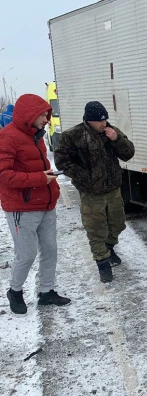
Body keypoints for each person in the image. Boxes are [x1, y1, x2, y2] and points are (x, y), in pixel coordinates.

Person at [0, 94, 71, 314]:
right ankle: (15, 291)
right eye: (42, 115)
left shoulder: (37, 136)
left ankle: (46, 292)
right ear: (28, 115)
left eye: (47, 115)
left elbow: (37, 166)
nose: (46, 119)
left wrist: (49, 180)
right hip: (22, 208)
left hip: (45, 204)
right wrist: (41, 178)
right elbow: (4, 176)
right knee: (27, 254)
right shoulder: (7, 137)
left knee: (50, 250)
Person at [54, 101, 135, 283]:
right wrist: (85, 177)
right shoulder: (73, 135)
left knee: (117, 224)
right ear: (89, 120)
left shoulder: (111, 132)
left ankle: (110, 247)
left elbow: (128, 153)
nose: (103, 123)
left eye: (105, 119)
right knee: (96, 229)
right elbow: (62, 162)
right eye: (99, 121)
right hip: (91, 193)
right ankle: (102, 263)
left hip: (113, 189)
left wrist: (117, 140)